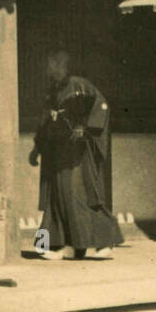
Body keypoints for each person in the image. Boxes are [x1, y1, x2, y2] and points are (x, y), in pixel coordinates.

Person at [28, 50, 123, 260]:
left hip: (76, 153)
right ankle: (58, 246)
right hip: (57, 152)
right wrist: (37, 148)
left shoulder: (81, 84)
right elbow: (45, 122)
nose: (52, 68)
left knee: (77, 196)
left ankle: (104, 242)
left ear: (64, 65)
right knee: (56, 197)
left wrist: (83, 127)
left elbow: (101, 104)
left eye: (56, 63)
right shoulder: (52, 91)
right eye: (51, 64)